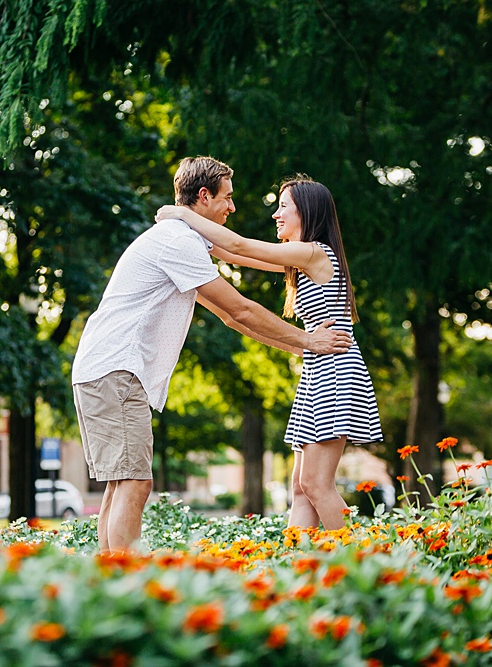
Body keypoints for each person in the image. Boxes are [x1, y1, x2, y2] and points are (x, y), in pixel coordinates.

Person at [72, 158, 353, 553]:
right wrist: (306, 343)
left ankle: (348, 559)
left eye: (283, 206)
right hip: (117, 368)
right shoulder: (178, 241)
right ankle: (123, 581)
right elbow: (237, 290)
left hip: (327, 369)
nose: (234, 208)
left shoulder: (190, 241)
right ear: (204, 196)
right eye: (227, 198)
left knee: (125, 482)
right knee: (132, 481)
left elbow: (232, 306)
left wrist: (302, 344)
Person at [156, 176, 382, 530]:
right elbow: (230, 252)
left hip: (335, 371)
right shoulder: (299, 259)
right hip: (318, 371)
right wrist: (188, 239)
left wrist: (178, 213)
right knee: (301, 486)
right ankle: (295, 568)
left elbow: (241, 245)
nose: (275, 215)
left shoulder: (313, 252)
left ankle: (368, 565)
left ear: (306, 212)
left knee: (317, 484)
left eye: (283, 207)